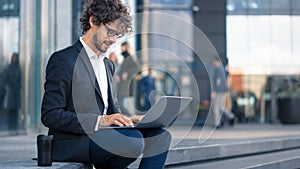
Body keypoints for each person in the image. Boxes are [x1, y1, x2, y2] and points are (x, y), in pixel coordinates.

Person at [41, 1, 171, 169]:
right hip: (75, 140)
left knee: (160, 136)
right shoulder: (63, 60)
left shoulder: (108, 65)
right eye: (110, 32)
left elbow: (111, 113)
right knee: (133, 141)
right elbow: (50, 115)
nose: (113, 40)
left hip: (105, 136)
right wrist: (100, 121)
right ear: (93, 21)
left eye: (117, 35)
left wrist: (129, 120)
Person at [117, 41, 139, 115]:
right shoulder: (125, 58)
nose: (121, 49)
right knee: (119, 103)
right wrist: (118, 75)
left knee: (120, 103)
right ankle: (129, 118)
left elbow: (136, 69)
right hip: (122, 85)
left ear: (126, 47)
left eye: (122, 47)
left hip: (125, 85)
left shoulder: (129, 57)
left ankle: (130, 118)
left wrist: (127, 73)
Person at [3, 53, 21, 130]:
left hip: (16, 91)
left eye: (15, 57)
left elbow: (19, 80)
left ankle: (15, 126)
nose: (14, 59)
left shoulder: (18, 68)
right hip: (10, 91)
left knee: (15, 111)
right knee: (9, 110)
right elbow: (5, 79)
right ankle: (10, 126)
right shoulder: (8, 68)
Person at [210, 57, 227, 128]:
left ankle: (217, 123)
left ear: (217, 62)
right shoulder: (223, 69)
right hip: (223, 90)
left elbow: (218, 81)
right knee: (220, 107)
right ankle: (222, 121)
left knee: (216, 107)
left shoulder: (218, 70)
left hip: (218, 91)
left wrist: (214, 91)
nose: (214, 64)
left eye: (214, 62)